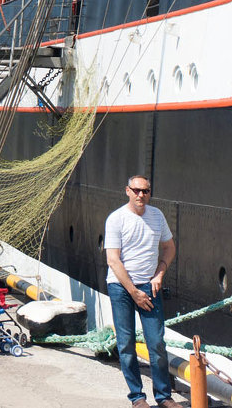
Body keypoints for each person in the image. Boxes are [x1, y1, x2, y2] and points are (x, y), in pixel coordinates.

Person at [105, 175, 177, 408]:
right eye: (136, 190)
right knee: (126, 344)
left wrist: (159, 273)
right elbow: (113, 261)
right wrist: (134, 291)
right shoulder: (116, 219)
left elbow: (169, 247)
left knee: (156, 342)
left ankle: (164, 396)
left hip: (149, 285)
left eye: (145, 191)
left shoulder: (157, 216)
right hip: (121, 287)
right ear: (127, 190)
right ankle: (137, 397)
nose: (140, 195)